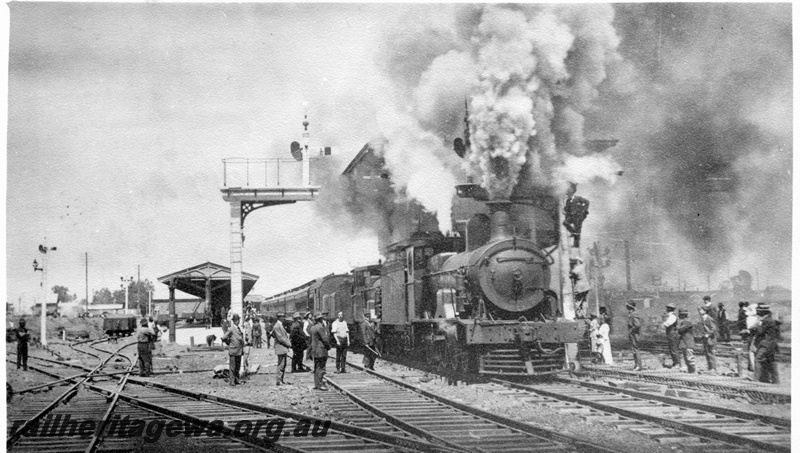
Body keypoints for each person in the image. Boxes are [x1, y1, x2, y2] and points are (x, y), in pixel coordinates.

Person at [751, 304, 780, 384]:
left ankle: (756, 379)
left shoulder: (766, 321)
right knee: (771, 360)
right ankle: (775, 380)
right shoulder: (771, 319)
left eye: (758, 311)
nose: (757, 312)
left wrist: (755, 326)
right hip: (773, 344)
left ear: (762, 312)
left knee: (758, 359)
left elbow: (760, 331)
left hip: (766, 344)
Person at [310, 312, 331, 391]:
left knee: (316, 368)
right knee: (321, 368)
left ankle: (317, 384)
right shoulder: (320, 328)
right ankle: (320, 384)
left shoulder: (313, 327)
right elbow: (325, 339)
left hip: (315, 350)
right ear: (320, 319)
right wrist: (328, 347)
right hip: (321, 350)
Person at [221, 313, 244, 386]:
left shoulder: (239, 328)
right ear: (234, 321)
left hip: (239, 351)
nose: (238, 321)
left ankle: (237, 380)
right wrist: (229, 343)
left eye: (238, 320)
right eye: (236, 320)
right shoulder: (231, 329)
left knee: (238, 367)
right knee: (232, 367)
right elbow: (224, 338)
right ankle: (232, 381)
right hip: (233, 351)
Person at [272, 313, 292, 385]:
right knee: (281, 364)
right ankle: (278, 380)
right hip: (280, 347)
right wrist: (288, 344)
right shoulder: (277, 326)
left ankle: (281, 379)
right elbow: (280, 338)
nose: (284, 318)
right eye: (283, 317)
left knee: (283, 364)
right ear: (279, 317)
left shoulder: (280, 325)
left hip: (282, 348)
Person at [698, 306, 717, 372]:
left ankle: (713, 368)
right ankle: (710, 367)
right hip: (706, 338)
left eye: (701, 310)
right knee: (707, 353)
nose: (700, 311)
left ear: (705, 311)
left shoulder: (709, 318)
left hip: (710, 339)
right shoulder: (703, 318)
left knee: (711, 353)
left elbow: (713, 328)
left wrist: (708, 334)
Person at [677, 309, 696, 373]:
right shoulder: (684, 321)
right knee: (686, 358)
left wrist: (678, 328)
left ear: (683, 315)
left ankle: (693, 371)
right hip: (685, 342)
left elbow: (680, 330)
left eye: (680, 314)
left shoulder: (687, 321)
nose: (679, 316)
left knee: (689, 357)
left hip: (688, 342)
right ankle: (691, 371)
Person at [662, 303, 680, 368]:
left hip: (673, 334)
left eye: (667, 308)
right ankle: (675, 362)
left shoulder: (673, 316)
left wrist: (664, 322)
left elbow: (667, 324)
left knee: (674, 349)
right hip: (670, 334)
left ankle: (677, 363)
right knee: (672, 349)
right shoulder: (669, 316)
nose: (666, 309)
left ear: (670, 309)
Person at [626, 301, 642, 371]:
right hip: (633, 334)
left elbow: (637, 325)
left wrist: (631, 330)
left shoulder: (634, 314)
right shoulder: (632, 314)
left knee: (636, 349)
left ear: (630, 308)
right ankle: (636, 365)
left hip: (634, 334)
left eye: (628, 307)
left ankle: (638, 365)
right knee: (634, 350)